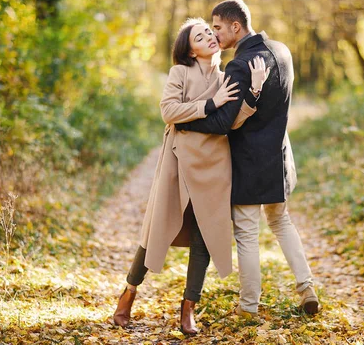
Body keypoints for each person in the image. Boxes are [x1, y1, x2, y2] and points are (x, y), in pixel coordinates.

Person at [112, 17, 269, 334]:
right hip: (178, 162)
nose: (210, 36)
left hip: (214, 164)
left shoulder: (228, 75)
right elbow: (168, 111)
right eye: (200, 35)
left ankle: (188, 310)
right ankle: (128, 294)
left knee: (205, 236)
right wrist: (210, 103)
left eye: (211, 32)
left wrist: (253, 91)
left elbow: (233, 122)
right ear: (189, 49)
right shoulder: (179, 72)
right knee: (157, 229)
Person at [175, 0, 319, 317]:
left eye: (218, 28)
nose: (215, 35)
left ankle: (249, 306)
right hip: (280, 158)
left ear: (235, 27)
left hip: (250, 164)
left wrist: (184, 120)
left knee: (247, 234)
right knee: (282, 222)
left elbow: (227, 122)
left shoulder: (240, 65)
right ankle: (306, 286)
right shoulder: (282, 51)